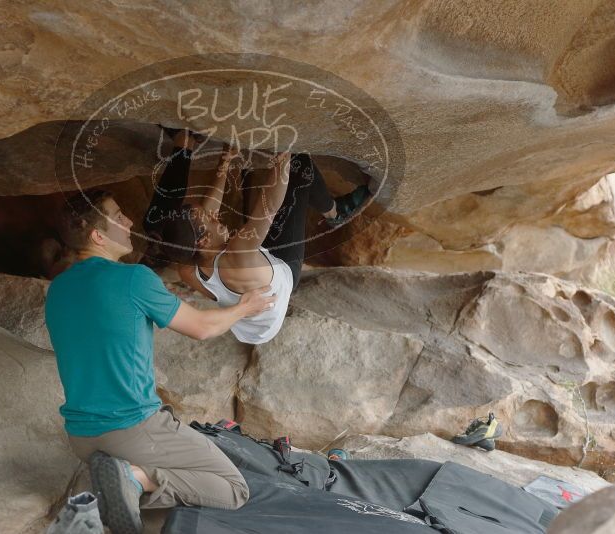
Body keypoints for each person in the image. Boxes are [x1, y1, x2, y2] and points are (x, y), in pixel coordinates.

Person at [45, 190, 276, 534]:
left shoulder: (59, 288)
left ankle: (113, 490)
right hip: (133, 427)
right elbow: (200, 328)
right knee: (232, 487)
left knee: (171, 494)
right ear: (98, 236)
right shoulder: (133, 278)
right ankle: (133, 478)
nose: (128, 221)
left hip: (82, 436)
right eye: (118, 215)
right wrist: (246, 307)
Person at [145, 129, 371, 345]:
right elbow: (269, 206)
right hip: (281, 273)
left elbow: (209, 210)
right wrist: (284, 155)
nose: (216, 217)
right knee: (300, 164)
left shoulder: (188, 265)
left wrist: (226, 160)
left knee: (244, 251)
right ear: (203, 241)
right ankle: (335, 212)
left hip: (249, 321)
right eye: (210, 220)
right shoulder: (238, 254)